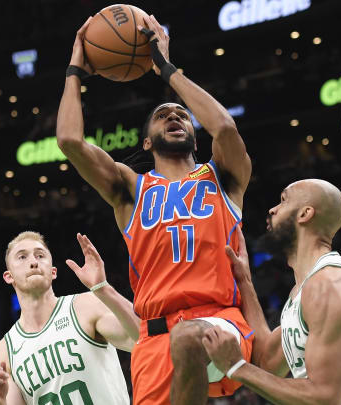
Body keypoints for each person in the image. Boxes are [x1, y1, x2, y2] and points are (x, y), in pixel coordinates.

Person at [55, 14, 253, 405]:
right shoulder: (130, 188)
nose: (174, 117)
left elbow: (226, 129)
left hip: (218, 322)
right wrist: (75, 70)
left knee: (190, 339)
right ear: (147, 143)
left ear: (195, 133)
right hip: (152, 337)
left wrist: (165, 68)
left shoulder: (222, 177)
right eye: (163, 115)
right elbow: (69, 141)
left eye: (181, 115)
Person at [201, 179, 341, 404]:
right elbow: (267, 362)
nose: (272, 209)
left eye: (283, 200)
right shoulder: (304, 291)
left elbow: (323, 397)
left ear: (305, 214)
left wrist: (237, 367)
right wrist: (244, 280)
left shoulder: (330, 284)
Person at [0, 231, 140, 405]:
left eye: (40, 255)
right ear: (8, 276)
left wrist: (103, 289)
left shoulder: (85, 306)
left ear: (53, 272)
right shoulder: (4, 350)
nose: (33, 262)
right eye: (22, 257)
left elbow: (143, 338)